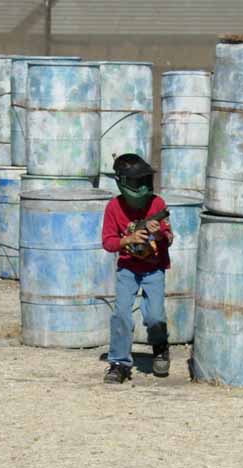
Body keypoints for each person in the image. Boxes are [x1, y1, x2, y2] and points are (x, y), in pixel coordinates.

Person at [101, 154, 174, 384]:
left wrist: (158, 232)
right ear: (123, 182)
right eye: (136, 182)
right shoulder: (114, 207)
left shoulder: (157, 204)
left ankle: (160, 347)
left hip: (154, 268)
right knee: (121, 313)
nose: (142, 187)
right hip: (128, 268)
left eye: (145, 181)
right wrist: (129, 238)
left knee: (154, 316)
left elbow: (169, 238)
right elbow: (108, 242)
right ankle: (119, 363)